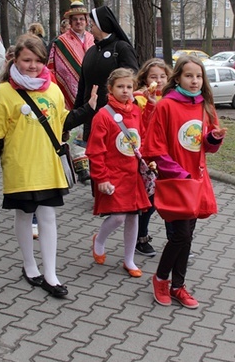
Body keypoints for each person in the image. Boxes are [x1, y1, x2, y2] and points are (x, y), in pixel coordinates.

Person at [0, 33, 97, 298]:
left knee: (47, 216)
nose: (32, 66)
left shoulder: (52, 89)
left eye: (38, 61)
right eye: (26, 60)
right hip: (20, 165)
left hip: (48, 163)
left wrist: (88, 108)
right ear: (15, 60)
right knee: (23, 214)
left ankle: (51, 274)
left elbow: (62, 122)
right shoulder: (3, 92)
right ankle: (30, 267)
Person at [142, 56, 227, 309]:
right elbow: (153, 148)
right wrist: (178, 173)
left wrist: (213, 138)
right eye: (189, 76)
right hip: (176, 180)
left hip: (197, 180)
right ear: (177, 78)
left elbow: (207, 147)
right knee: (180, 236)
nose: (194, 81)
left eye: (199, 76)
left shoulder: (205, 106)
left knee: (187, 236)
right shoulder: (165, 106)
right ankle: (160, 279)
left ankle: (178, 286)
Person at [86, 68, 151, 278]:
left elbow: (142, 136)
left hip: (133, 175)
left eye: (129, 87)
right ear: (110, 89)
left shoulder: (135, 111)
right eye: (120, 87)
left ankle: (129, 259)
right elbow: (96, 151)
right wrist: (101, 178)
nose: (125, 91)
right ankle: (100, 239)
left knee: (133, 217)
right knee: (118, 217)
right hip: (113, 174)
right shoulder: (103, 116)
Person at [74, 5, 139, 142]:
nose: (90, 28)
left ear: (101, 25)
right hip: (91, 117)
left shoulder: (121, 48)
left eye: (92, 24)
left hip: (116, 118)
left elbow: (133, 80)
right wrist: (75, 117)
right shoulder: (91, 52)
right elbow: (83, 86)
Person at [133, 58, 172, 257]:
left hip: (170, 155)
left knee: (170, 198)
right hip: (148, 155)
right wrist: (151, 104)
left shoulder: (172, 97)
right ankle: (141, 236)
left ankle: (175, 241)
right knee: (152, 199)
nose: (159, 80)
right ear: (145, 79)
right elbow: (140, 127)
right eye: (153, 76)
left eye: (163, 76)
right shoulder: (138, 98)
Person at [47, 0, 94, 110]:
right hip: (68, 86)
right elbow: (54, 68)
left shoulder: (93, 38)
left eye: (81, 19)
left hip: (91, 86)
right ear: (70, 22)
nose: (78, 22)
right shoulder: (61, 41)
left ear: (86, 21)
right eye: (75, 19)